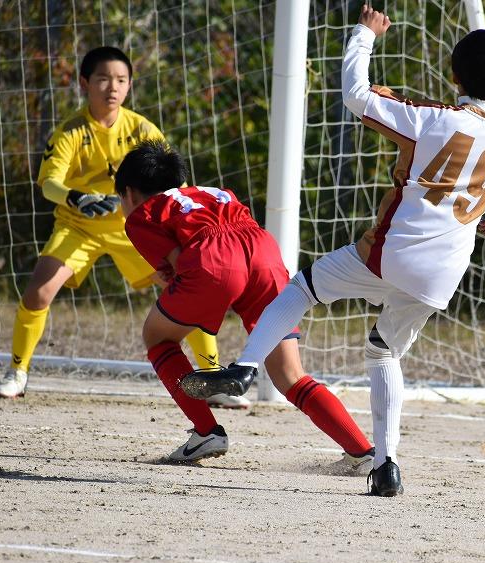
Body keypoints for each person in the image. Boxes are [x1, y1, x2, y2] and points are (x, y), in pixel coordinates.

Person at [180, 5, 485, 495]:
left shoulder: (430, 117)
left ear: (452, 74)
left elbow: (356, 96)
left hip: (392, 251)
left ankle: (244, 367)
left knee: (301, 288)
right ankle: (386, 467)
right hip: (442, 276)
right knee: (383, 352)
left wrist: (364, 35)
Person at [0, 46, 247, 410]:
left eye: (121, 80)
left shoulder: (142, 129)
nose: (113, 87)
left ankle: (213, 377)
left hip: (139, 230)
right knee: (39, 291)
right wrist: (75, 198)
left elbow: (172, 179)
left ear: (129, 86)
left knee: (189, 288)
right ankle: (17, 372)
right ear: (84, 83)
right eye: (103, 79)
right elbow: (48, 182)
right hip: (80, 228)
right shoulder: (70, 131)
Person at [114, 140, 376, 465]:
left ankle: (206, 432)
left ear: (129, 194)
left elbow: (182, 263)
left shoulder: (143, 214)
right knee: (290, 375)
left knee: (158, 337)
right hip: (263, 251)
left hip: (214, 260)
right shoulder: (214, 192)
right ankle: (363, 454)